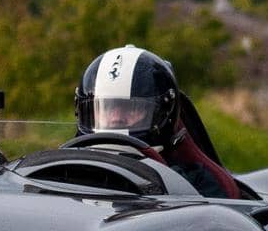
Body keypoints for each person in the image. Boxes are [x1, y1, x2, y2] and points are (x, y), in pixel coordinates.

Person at [75, 45, 242, 198]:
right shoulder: (63, 171)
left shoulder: (198, 184)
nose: (116, 118)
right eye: (106, 109)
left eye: (132, 109)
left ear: (164, 112)